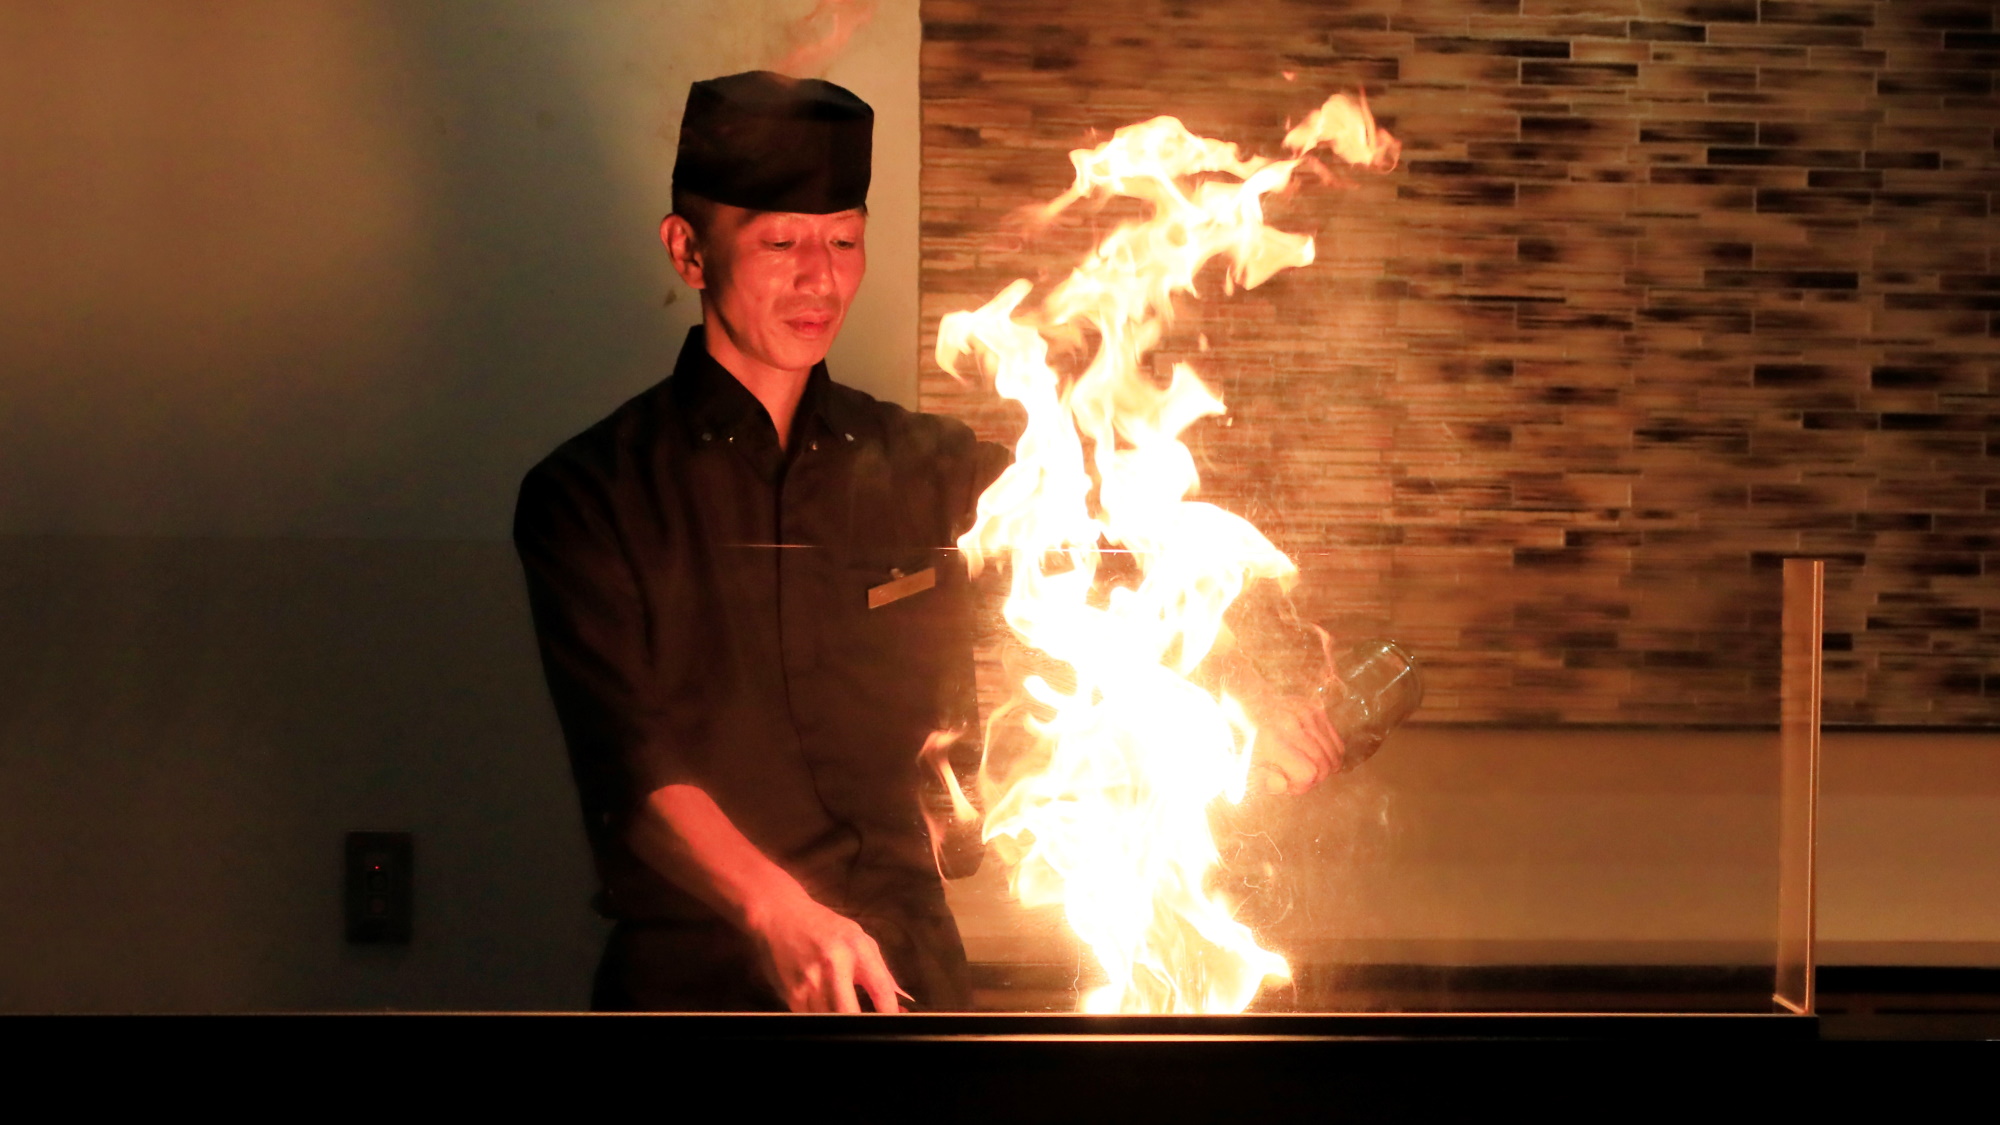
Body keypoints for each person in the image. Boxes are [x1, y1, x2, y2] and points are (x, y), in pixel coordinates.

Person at [514, 71, 1340, 1015]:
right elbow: (632, 761)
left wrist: (1228, 713)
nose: (819, 277)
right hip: (697, 988)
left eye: (844, 241)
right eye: (781, 242)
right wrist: (781, 913)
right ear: (688, 250)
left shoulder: (930, 469)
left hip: (910, 984)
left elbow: (1114, 571)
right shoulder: (588, 494)